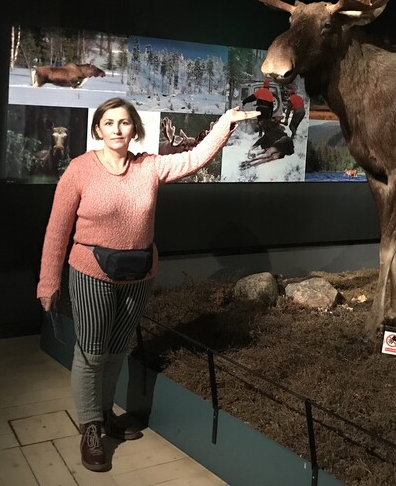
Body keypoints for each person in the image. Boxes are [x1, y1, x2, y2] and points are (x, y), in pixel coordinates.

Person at [37, 97, 258, 472]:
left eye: (124, 122)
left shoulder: (149, 167)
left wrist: (226, 123)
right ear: (98, 130)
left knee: (118, 348)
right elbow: (58, 229)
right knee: (91, 352)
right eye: (109, 123)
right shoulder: (79, 169)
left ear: (134, 128)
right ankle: (90, 427)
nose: (117, 129)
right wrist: (48, 281)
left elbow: (193, 158)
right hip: (91, 271)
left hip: (139, 273)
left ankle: (105, 415)